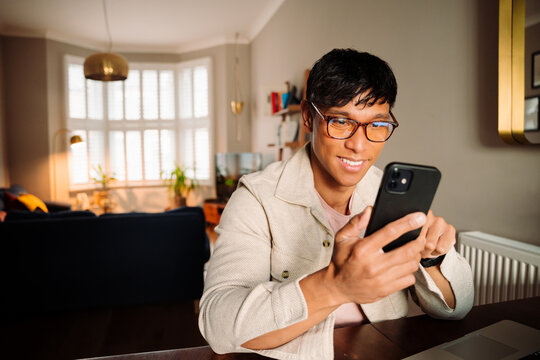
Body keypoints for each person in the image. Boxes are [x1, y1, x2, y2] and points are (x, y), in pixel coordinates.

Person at [199, 48, 474, 359]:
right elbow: (218, 326)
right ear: (307, 117)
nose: (359, 145)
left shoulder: (388, 192)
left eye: (377, 125)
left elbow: (459, 307)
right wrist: (334, 287)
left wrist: (431, 259)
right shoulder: (256, 198)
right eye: (341, 121)